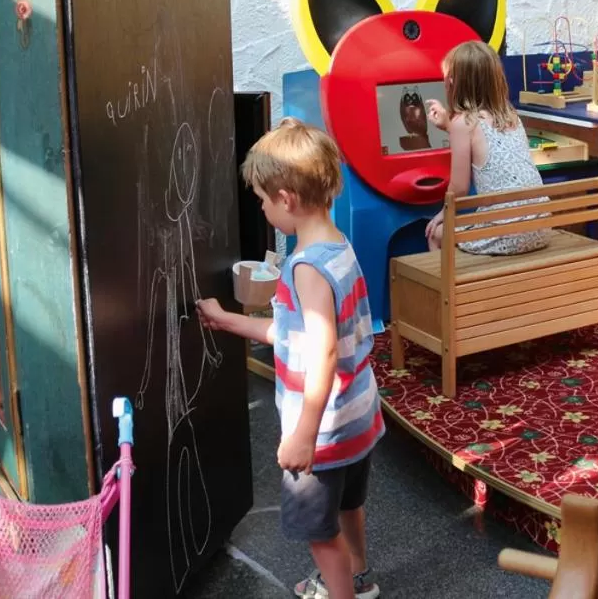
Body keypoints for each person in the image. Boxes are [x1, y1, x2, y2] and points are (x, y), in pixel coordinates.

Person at [196, 119, 384, 599]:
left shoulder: (306, 269)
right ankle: (359, 576)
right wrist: (229, 320)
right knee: (348, 505)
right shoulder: (335, 245)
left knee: (319, 533)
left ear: (287, 199)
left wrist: (303, 436)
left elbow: (320, 351)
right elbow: (295, 336)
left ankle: (341, 591)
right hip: (358, 415)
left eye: (262, 198)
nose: (261, 207)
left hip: (322, 430)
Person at [423, 39, 549, 256]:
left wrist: (442, 214)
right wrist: (448, 126)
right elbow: (487, 141)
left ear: (452, 82)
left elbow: (459, 189)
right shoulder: (510, 115)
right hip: (540, 226)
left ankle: (448, 290)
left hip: (507, 234)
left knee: (436, 234)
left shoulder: (463, 123)